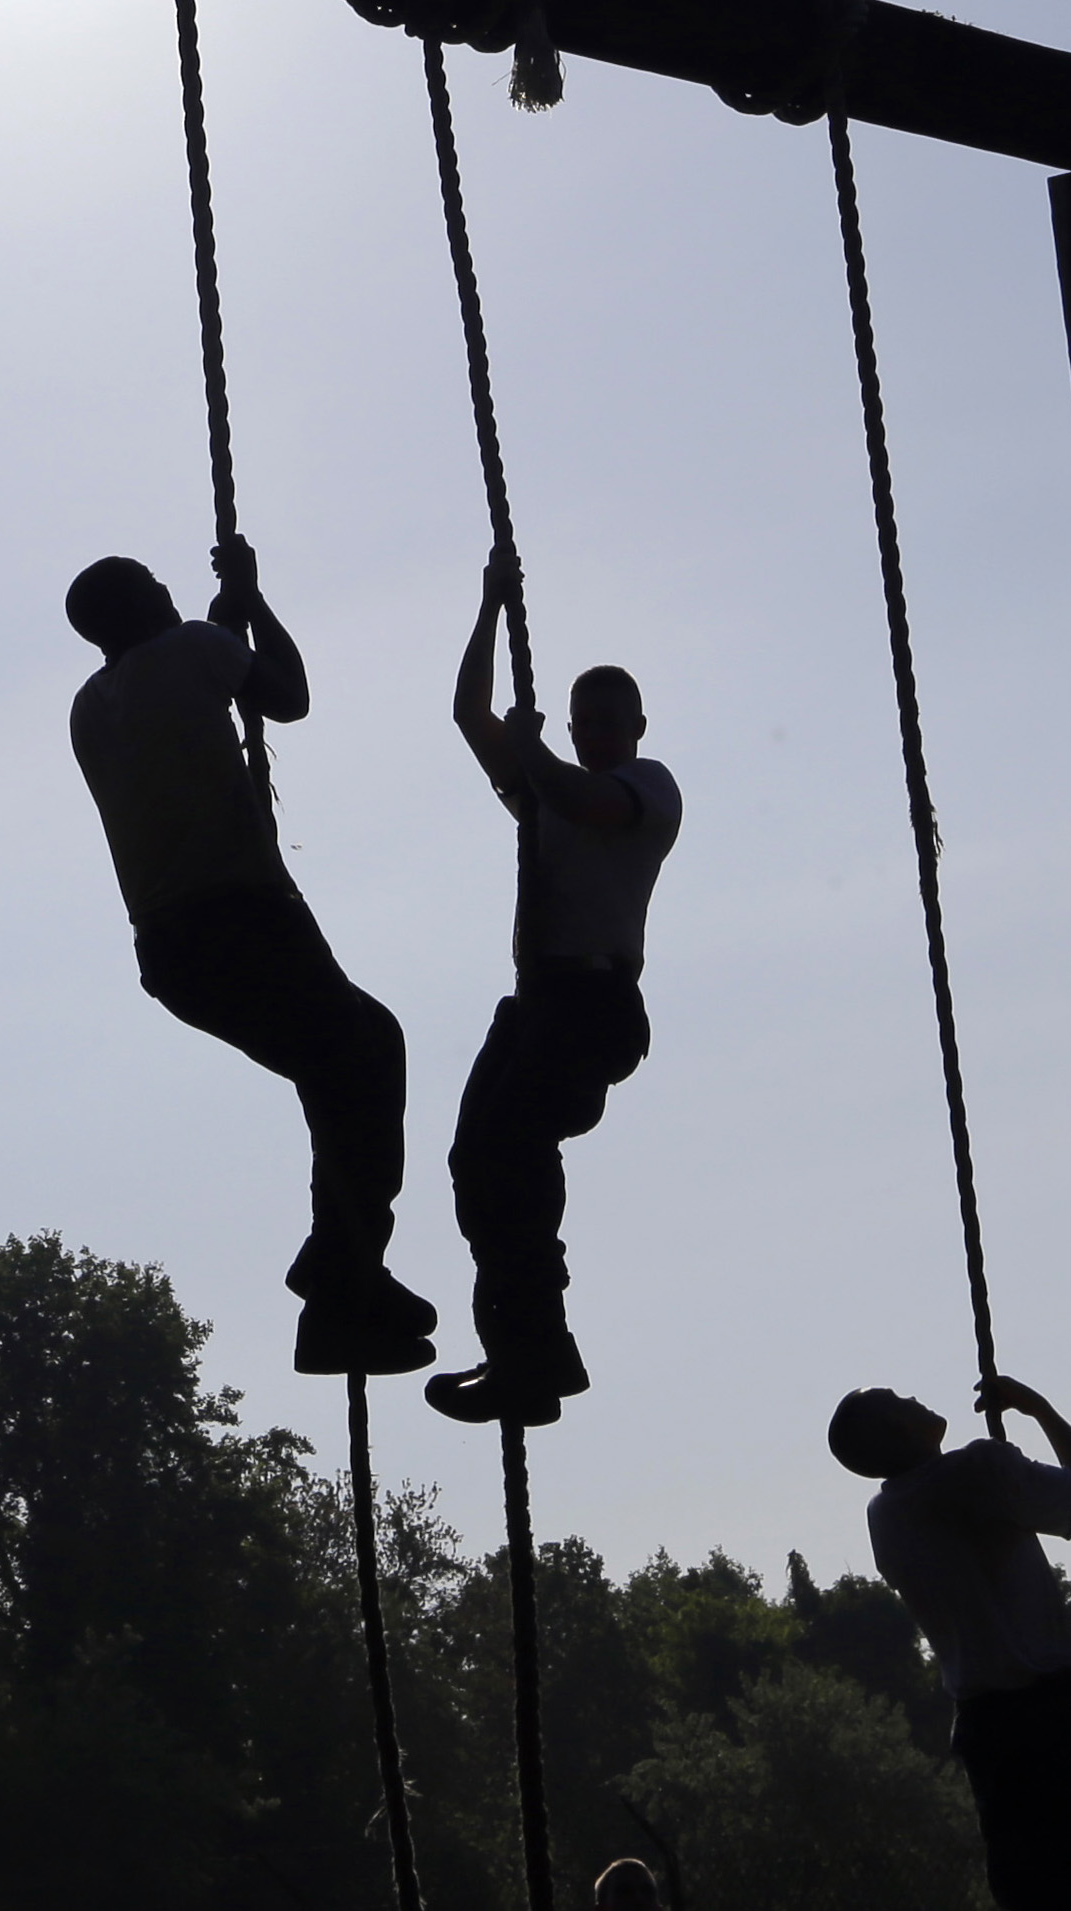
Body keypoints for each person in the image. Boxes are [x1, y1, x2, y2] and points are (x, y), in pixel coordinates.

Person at [63, 536, 435, 1374]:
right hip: (245, 916)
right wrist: (252, 602)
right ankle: (339, 1279)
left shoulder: (88, 707)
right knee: (365, 1053)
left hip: (171, 951)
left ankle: (344, 1275)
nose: (169, 591)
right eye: (157, 586)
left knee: (340, 1067)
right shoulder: (195, 645)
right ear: (142, 604)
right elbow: (289, 696)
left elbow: (185, 715)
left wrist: (219, 625)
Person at [427, 552, 680, 1426]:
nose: (598, 732)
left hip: (590, 1005)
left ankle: (536, 1353)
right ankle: (521, 1348)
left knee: (511, 1156)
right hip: (536, 1004)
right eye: (587, 722)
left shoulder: (645, 787)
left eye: (612, 720)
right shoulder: (541, 789)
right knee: (474, 1163)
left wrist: (535, 751)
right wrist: (490, 605)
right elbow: (468, 713)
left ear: (637, 726)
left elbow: (582, 801)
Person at [830, 1374, 1071, 1909]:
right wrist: (1036, 1406)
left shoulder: (883, 1516)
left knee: (1038, 1887)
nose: (914, 1397)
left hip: (986, 1727)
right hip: (1056, 1712)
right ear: (897, 1428)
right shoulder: (978, 1468)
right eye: (899, 1400)